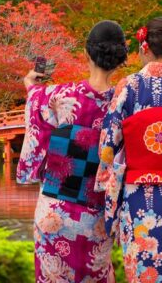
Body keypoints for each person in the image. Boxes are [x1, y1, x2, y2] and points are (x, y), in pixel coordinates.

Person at [17, 20, 128, 282]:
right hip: (97, 213)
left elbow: (36, 107)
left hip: (56, 209)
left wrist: (31, 86)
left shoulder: (60, 95)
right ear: (120, 59)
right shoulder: (124, 102)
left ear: (87, 54)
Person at [96, 17, 162, 282]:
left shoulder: (130, 86)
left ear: (144, 47)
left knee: (142, 268)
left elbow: (107, 147)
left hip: (140, 197)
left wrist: (106, 186)